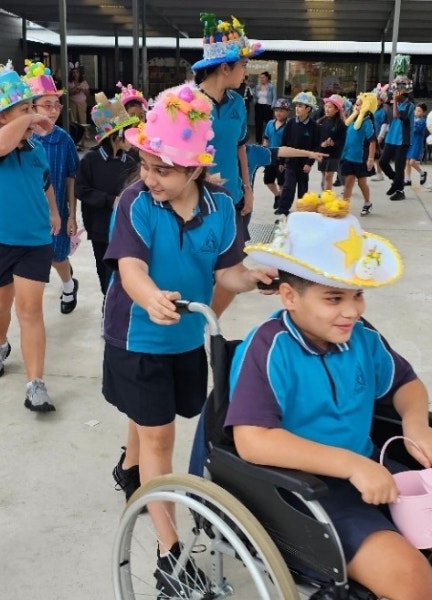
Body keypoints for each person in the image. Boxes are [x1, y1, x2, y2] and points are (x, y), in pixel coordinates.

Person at [226, 203, 432, 600]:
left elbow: (406, 384)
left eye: (357, 295)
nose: (352, 311)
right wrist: (352, 465)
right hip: (302, 493)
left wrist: (415, 425)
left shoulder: (361, 338)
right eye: (334, 298)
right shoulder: (269, 349)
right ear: (289, 296)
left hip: (372, 470)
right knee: (409, 574)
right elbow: (253, 440)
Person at [104, 84, 277, 595]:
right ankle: (169, 553)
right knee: (161, 437)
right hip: (137, 335)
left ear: (196, 169)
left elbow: (227, 273)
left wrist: (255, 278)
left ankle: (128, 469)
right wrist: (150, 295)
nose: (150, 178)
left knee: (153, 420)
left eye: (163, 169)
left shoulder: (223, 207)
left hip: (186, 336)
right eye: (145, 165)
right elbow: (130, 267)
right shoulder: (134, 201)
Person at [0, 62, 60, 412]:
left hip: (35, 241)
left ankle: (35, 384)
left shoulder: (36, 149)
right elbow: (0, 145)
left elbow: (45, 182)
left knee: (31, 310)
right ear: (2, 116)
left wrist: (54, 212)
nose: (33, 115)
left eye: (31, 108)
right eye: (24, 109)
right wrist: (28, 118)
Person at [191, 13, 263, 318]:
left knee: (231, 270)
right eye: (243, 65)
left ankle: (208, 321)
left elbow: (240, 147)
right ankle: (194, 322)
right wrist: (201, 177)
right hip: (195, 201)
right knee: (200, 267)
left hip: (232, 200)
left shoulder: (237, 102)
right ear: (224, 67)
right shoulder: (187, 104)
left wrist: (247, 188)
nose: (246, 72)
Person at [25, 63, 81, 314]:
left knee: (57, 255)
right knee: (32, 257)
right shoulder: (23, 139)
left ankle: (69, 286)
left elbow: (71, 177)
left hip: (57, 208)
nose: (53, 110)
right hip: (29, 210)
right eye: (46, 105)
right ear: (32, 107)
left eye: (56, 105)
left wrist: (71, 215)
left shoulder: (63, 139)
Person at [75, 92, 140, 296]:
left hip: (123, 229)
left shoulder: (131, 162)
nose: (133, 134)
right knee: (105, 276)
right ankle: (108, 309)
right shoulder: (90, 161)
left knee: (126, 275)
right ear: (118, 134)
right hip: (100, 229)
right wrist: (111, 201)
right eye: (129, 130)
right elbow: (81, 190)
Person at [275, 91, 321, 217]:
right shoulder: (290, 123)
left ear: (308, 109)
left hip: (304, 166)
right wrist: (281, 161)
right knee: (288, 187)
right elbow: (284, 142)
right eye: (297, 106)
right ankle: (283, 211)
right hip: (290, 163)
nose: (297, 108)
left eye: (300, 106)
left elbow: (316, 146)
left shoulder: (314, 127)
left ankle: (302, 213)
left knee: (302, 190)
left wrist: (309, 163)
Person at [340, 95, 377, 217]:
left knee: (362, 183)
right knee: (348, 181)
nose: (356, 105)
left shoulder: (367, 122)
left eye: (359, 104)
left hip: (360, 158)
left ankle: (367, 203)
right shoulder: (353, 118)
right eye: (356, 103)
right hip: (348, 156)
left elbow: (372, 141)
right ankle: (344, 207)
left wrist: (371, 159)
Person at [379, 76, 414, 201]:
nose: (394, 94)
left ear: (402, 93)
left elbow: (396, 115)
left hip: (402, 139)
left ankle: (400, 191)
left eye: (396, 92)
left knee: (399, 166)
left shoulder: (409, 105)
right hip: (391, 137)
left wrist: (394, 102)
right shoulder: (395, 103)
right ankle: (397, 182)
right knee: (383, 162)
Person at [262, 98, 291, 210]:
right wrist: (264, 151)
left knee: (281, 183)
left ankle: (282, 206)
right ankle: (277, 196)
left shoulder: (289, 125)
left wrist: (284, 161)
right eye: (277, 110)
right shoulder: (270, 123)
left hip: (282, 158)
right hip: (270, 157)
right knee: (268, 180)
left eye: (282, 110)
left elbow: (289, 145)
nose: (278, 113)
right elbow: (266, 138)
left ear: (287, 112)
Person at [317, 94, 347, 191]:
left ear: (336, 109)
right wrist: (321, 144)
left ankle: (327, 197)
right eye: (326, 106)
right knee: (323, 174)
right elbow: (316, 137)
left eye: (330, 107)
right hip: (322, 152)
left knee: (328, 176)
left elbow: (343, 141)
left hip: (334, 154)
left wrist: (334, 143)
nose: (327, 109)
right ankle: (324, 192)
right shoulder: (321, 121)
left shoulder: (340, 124)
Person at [404, 102, 428, 186]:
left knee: (411, 162)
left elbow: (415, 129)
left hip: (416, 143)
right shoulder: (413, 119)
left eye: (419, 111)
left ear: (424, 112)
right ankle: (408, 179)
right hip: (410, 142)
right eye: (416, 110)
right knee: (407, 162)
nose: (417, 112)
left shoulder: (422, 121)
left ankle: (422, 173)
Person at [370, 86, 390, 182]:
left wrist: (381, 136)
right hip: (371, 135)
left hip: (378, 136)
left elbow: (384, 124)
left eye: (377, 99)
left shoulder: (382, 111)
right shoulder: (372, 110)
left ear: (381, 101)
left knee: (378, 155)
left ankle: (379, 173)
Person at [253, 71, 276, 143]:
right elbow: (254, 96)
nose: (261, 79)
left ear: (267, 78)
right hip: (259, 106)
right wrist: (255, 103)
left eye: (263, 77)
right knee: (258, 124)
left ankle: (267, 140)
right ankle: (258, 141)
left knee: (268, 124)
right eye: (260, 77)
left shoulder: (271, 87)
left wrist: (272, 107)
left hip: (267, 107)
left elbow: (274, 97)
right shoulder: (257, 87)